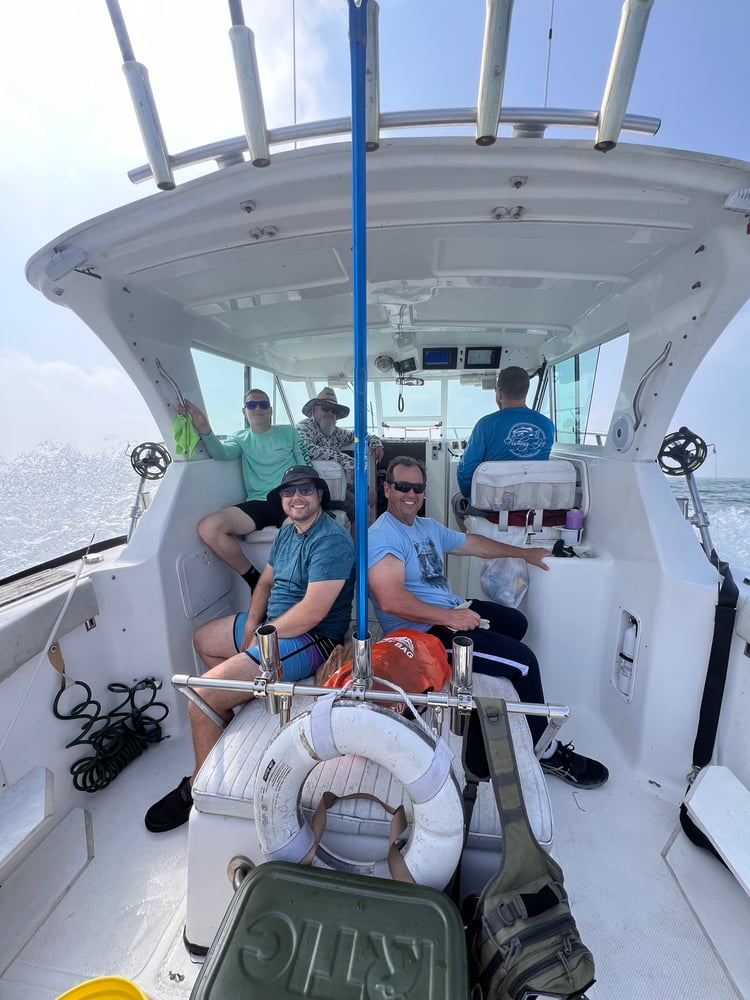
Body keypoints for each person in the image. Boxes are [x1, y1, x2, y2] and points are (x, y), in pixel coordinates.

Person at [368, 455, 608, 789]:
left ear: (424, 491)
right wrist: (451, 617)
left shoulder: (425, 527)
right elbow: (390, 600)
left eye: (417, 487)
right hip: (423, 637)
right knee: (524, 664)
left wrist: (523, 553)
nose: (410, 494)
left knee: (515, 623)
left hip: (449, 610)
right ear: (387, 488)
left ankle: (497, 685)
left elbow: (474, 544)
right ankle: (547, 751)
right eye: (402, 487)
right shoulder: (382, 535)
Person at [145, 465, 356, 833]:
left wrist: (262, 638)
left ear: (319, 494)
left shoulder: (332, 540)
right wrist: (251, 628)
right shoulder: (289, 532)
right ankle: (236, 716)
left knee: (200, 695)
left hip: (312, 639)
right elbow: (264, 584)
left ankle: (197, 788)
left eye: (305, 489)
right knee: (203, 640)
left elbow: (312, 613)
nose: (296, 497)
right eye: (288, 492)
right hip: (273, 628)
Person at [181, 389, 308, 589]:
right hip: (259, 502)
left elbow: (305, 467)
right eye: (252, 405)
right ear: (244, 411)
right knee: (208, 528)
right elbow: (221, 453)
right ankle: (255, 581)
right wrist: (204, 428)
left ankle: (287, 588)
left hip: (289, 499)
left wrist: (308, 498)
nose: (258, 408)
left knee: (294, 535)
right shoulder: (240, 438)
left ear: (270, 410)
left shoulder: (288, 432)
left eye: (263, 404)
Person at [457, 366, 556, 499]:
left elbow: (466, 469)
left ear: (500, 393)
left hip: (493, 505)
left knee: (457, 501)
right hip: (533, 502)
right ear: (525, 392)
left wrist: (468, 494)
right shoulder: (547, 424)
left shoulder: (485, 424)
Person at [295, 387, 384, 523]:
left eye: (334, 411)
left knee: (371, 495)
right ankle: (355, 541)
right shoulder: (304, 427)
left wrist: (375, 441)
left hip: (334, 484)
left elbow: (359, 437)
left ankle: (355, 529)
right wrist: (347, 461)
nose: (330, 413)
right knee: (364, 512)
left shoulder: (336, 432)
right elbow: (307, 449)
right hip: (314, 488)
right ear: (314, 410)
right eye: (325, 408)